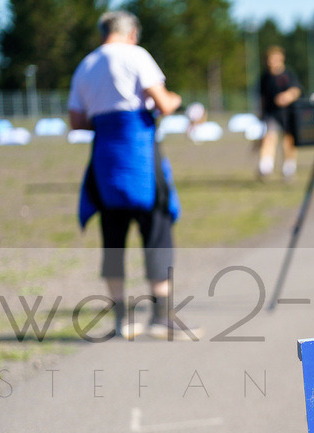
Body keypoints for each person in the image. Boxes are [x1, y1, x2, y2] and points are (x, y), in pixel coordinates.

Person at [68, 10, 201, 341]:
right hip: (141, 159)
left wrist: (106, 120)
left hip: (105, 162)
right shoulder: (136, 55)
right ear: (130, 33)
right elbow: (163, 104)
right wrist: (178, 99)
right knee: (157, 233)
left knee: (113, 240)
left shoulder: (86, 65)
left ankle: (120, 320)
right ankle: (162, 318)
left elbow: (76, 120)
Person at [258, 46, 301, 180]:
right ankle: (265, 167)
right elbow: (261, 96)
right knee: (269, 137)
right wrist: (261, 112)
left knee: (288, 140)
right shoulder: (265, 76)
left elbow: (297, 90)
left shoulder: (288, 74)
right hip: (271, 113)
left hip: (288, 113)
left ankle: (288, 168)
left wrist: (287, 96)